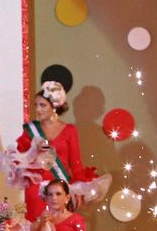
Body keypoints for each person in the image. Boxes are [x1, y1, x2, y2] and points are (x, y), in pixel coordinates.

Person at [14, 80, 110, 221]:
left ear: (54, 106)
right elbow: (21, 160)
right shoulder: (30, 129)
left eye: (43, 105)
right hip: (36, 189)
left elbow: (76, 164)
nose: (38, 110)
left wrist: (76, 191)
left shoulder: (70, 130)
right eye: (36, 105)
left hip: (60, 189)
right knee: (38, 228)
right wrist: (34, 150)